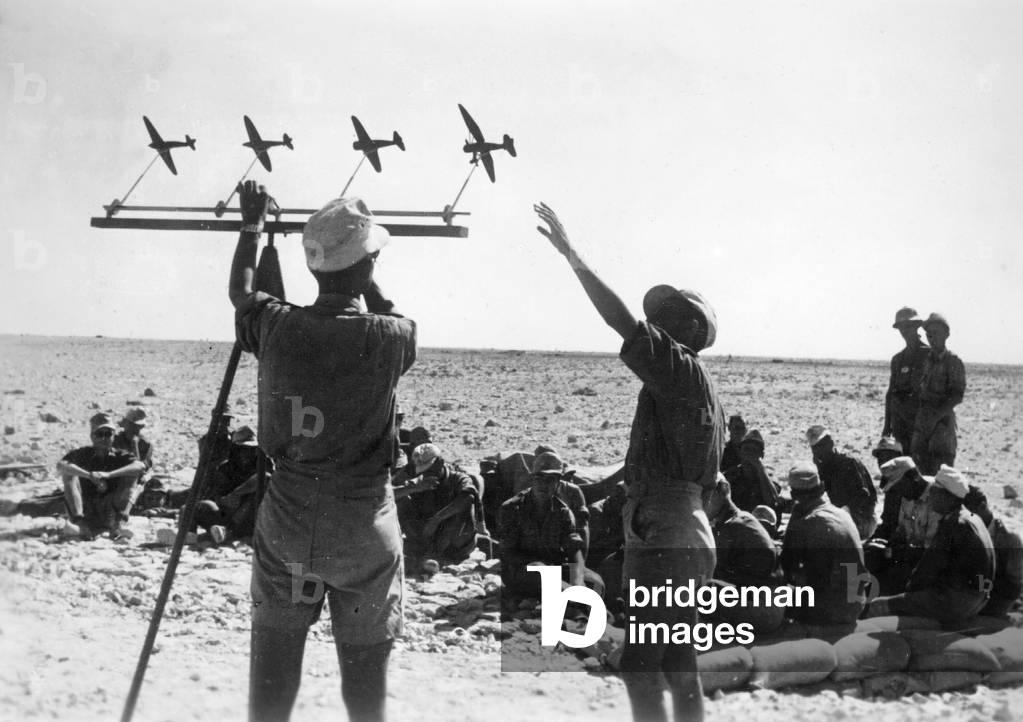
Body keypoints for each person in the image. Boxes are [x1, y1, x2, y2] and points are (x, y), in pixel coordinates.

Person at [230, 181, 416, 722]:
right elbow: (391, 310)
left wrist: (253, 228)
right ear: (367, 267)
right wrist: (365, 271)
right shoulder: (391, 336)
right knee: (364, 689)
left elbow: (244, 292)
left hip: (288, 514)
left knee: (272, 677)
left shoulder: (277, 326)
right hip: (362, 525)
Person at [535, 202, 724, 722]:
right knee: (677, 656)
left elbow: (624, 324)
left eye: (667, 316)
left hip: (665, 533)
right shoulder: (693, 388)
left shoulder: (680, 369)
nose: (654, 323)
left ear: (689, 327)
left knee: (642, 661)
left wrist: (575, 260)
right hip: (682, 530)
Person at [865, 466, 995, 624]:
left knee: (877, 605)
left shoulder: (953, 524)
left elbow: (927, 570)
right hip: (977, 600)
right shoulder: (972, 519)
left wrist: (907, 594)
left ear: (947, 496)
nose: (930, 496)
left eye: (934, 492)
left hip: (956, 601)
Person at [497, 452, 603, 599]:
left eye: (550, 480)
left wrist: (578, 578)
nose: (544, 484)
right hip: (521, 571)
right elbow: (508, 553)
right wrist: (542, 567)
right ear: (532, 479)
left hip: (553, 567)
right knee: (541, 573)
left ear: (558, 484)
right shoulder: (512, 508)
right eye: (539, 478)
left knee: (595, 582)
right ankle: (574, 601)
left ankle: (572, 602)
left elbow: (573, 548)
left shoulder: (563, 511)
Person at [780, 463, 868, 627]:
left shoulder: (809, 522)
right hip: (855, 604)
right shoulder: (842, 513)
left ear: (793, 494)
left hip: (831, 610)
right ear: (821, 488)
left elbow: (792, 568)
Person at [703, 476, 785, 633]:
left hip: (764, 611)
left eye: (707, 493)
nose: (702, 501)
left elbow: (707, 569)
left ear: (724, 490)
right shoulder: (739, 519)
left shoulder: (734, 526)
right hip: (767, 604)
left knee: (696, 588)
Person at [56, 412, 147, 540]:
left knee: (132, 476)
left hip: (110, 510)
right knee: (69, 475)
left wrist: (109, 474)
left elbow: (140, 467)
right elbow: (61, 466)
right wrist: (88, 475)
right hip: (86, 509)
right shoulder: (82, 454)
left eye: (108, 434)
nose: (104, 439)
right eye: (99, 434)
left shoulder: (121, 455)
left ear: (113, 436)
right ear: (92, 436)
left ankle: (118, 524)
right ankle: (80, 524)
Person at [863, 456, 944, 595]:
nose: (897, 493)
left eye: (898, 487)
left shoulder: (936, 497)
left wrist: (898, 552)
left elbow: (933, 553)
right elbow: (902, 532)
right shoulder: (907, 496)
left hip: (931, 567)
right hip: (911, 560)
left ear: (913, 477)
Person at [394, 442, 483, 568]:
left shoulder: (458, 478)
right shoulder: (421, 480)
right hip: (427, 537)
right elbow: (388, 494)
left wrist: (437, 519)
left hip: (456, 543)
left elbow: (468, 497)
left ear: (440, 463)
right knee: (401, 501)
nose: (427, 474)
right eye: (423, 471)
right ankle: (422, 553)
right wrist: (413, 489)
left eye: (430, 470)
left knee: (463, 506)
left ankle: (436, 556)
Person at [912, 313, 966, 474]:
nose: (932, 337)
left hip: (941, 424)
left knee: (942, 475)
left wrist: (935, 417)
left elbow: (957, 395)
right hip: (923, 424)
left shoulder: (953, 361)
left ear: (946, 334)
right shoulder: (926, 360)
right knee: (921, 473)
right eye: (929, 334)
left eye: (936, 333)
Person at [806, 425, 877, 540]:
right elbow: (818, 492)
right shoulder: (824, 465)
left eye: (821, 446)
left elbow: (863, 495)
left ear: (830, 443)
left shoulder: (848, 462)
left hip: (862, 519)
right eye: (815, 448)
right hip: (842, 517)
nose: (819, 451)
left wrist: (842, 512)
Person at [963, 486, 1023, 616]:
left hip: (998, 598)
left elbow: (1014, 585)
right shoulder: (969, 528)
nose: (966, 517)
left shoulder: (1009, 537)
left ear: (983, 506)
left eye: (970, 512)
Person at [881, 307, 930, 455]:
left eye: (908, 326)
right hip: (900, 423)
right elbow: (890, 393)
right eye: (901, 327)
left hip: (920, 423)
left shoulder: (928, 354)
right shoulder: (898, 359)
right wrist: (887, 424)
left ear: (916, 326)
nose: (905, 330)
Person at [722, 429, 780, 516]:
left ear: (761, 455)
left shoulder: (768, 475)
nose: (749, 454)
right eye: (746, 449)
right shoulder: (730, 475)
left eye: (754, 450)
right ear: (740, 452)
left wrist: (760, 468)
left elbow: (772, 501)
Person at [115, 407, 155, 508]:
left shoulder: (145, 444)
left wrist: (134, 446)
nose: (133, 429)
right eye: (131, 425)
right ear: (125, 424)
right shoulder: (115, 440)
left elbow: (140, 469)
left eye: (137, 426)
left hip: (133, 481)